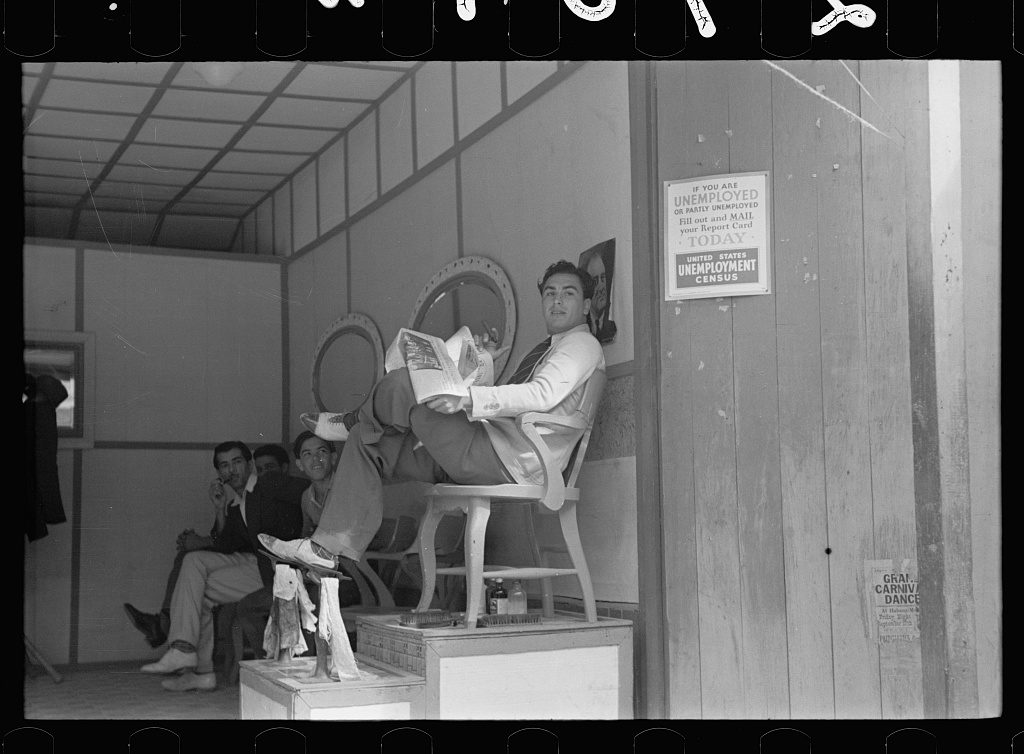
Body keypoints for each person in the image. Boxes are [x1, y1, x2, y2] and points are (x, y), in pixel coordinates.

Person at [261, 259, 605, 572]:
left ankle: (352, 419)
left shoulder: (580, 345)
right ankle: (328, 548)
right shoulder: (550, 347)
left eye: (568, 293)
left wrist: (466, 397)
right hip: (489, 450)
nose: (557, 301)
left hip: (505, 459)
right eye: (550, 293)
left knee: (401, 383)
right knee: (367, 444)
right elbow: (509, 402)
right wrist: (482, 362)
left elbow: (540, 395)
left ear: (586, 305)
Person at [137, 441, 303, 691]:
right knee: (194, 578)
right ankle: (199, 670)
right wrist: (219, 510)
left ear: (249, 464)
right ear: (219, 474)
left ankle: (185, 653)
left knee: (194, 576)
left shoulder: (265, 485)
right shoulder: (238, 501)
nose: (231, 470)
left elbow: (303, 488)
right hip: (256, 566)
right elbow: (226, 545)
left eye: (237, 462)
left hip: (278, 570)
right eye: (224, 466)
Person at [578, 242, 617, 344]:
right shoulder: (579, 334)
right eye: (595, 281)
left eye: (603, 278)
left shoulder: (612, 325)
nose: (601, 287)